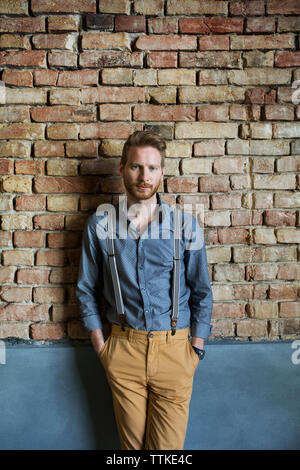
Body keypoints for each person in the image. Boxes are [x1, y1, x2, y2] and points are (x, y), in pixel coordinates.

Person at [76, 130, 213, 450]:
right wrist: (103, 348)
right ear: (122, 168)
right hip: (123, 349)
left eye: (152, 168)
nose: (144, 176)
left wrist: (196, 348)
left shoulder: (185, 225)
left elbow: (201, 291)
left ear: (162, 173)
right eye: (136, 166)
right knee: (131, 451)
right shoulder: (100, 225)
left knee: (166, 453)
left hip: (176, 351)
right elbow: (85, 289)